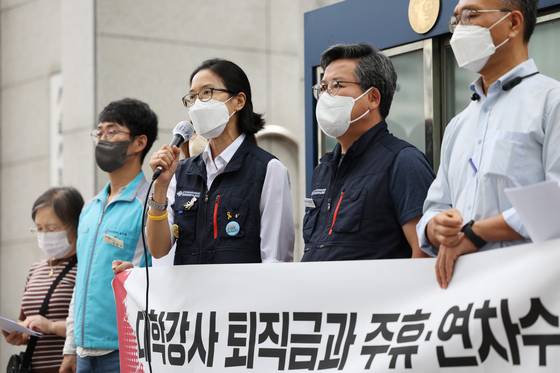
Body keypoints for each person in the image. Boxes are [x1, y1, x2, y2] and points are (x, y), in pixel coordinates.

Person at [417, 0, 560, 288]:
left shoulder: (551, 101)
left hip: (533, 294)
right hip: (466, 300)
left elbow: (556, 202)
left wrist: (476, 233)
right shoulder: (458, 125)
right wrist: (436, 227)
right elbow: (435, 206)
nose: (459, 28)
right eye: (456, 19)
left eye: (470, 15)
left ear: (514, 23)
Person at [147, 58, 295, 265]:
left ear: (239, 101)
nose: (198, 104)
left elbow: (275, 259)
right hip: (189, 297)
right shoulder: (180, 172)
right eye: (192, 97)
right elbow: (158, 249)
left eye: (207, 93)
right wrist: (160, 187)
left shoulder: (268, 169)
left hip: (242, 296)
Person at [301, 43, 435, 262]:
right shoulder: (323, 168)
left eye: (337, 85)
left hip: (377, 296)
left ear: (373, 98)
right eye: (323, 87)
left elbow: (424, 250)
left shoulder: (403, 162)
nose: (326, 95)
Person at [59, 98, 158, 373]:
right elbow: (82, 281)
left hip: (127, 347)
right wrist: (71, 346)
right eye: (99, 132)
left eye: (112, 131)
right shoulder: (90, 208)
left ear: (139, 143)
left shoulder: (151, 203)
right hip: (83, 352)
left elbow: (160, 271)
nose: (103, 139)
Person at [2, 187, 83, 373]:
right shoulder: (35, 270)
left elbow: (92, 325)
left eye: (52, 228)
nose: (45, 235)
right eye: (39, 229)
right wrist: (18, 333)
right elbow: (26, 321)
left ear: (76, 226)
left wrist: (52, 326)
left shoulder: (84, 269)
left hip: (66, 367)